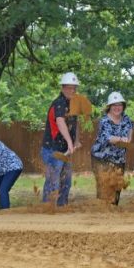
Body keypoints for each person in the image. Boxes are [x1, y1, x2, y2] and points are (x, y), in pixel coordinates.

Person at [41, 72, 81, 206]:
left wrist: (75, 141)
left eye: (74, 88)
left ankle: (61, 209)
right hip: (52, 149)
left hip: (64, 150)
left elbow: (76, 124)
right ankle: (47, 209)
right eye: (70, 88)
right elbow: (60, 122)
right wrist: (70, 142)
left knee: (66, 182)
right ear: (63, 88)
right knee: (53, 182)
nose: (73, 90)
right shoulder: (59, 103)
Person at [91, 91, 134, 205]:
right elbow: (109, 138)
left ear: (123, 106)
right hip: (101, 158)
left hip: (119, 159)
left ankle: (113, 214)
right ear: (109, 107)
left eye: (119, 104)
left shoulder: (126, 119)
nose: (117, 107)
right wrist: (121, 139)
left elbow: (130, 132)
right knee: (104, 187)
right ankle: (102, 213)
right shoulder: (104, 121)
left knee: (116, 187)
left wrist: (128, 140)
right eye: (114, 105)